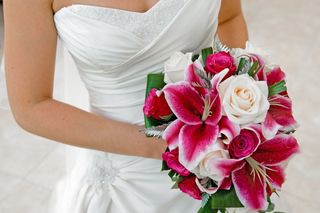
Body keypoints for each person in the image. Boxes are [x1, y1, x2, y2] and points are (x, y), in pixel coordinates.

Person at [2, 0, 259, 212]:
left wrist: (243, 97)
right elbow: (31, 106)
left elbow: (229, 17)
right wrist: (163, 147)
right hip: (124, 174)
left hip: (218, 154)